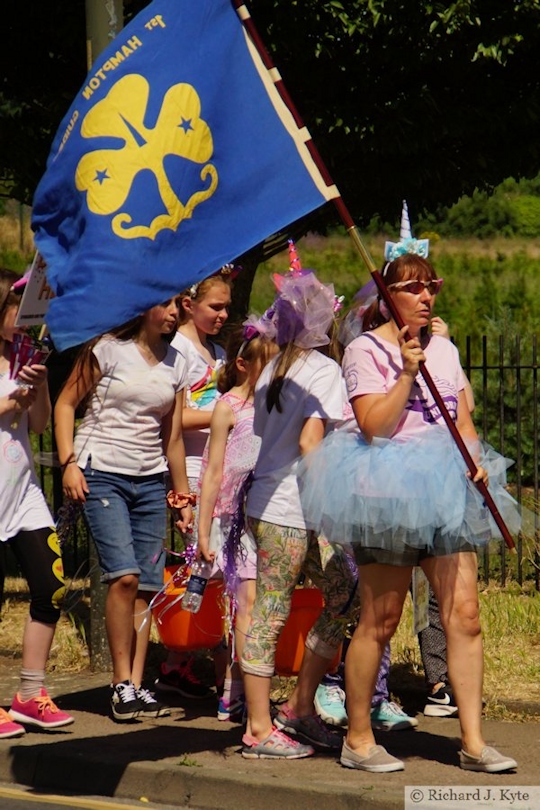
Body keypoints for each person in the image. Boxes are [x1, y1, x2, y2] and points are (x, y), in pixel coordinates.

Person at [299, 249, 521, 773]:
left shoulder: (444, 349)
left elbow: (461, 417)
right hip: (389, 491)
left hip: (446, 488)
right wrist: (404, 372)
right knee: (382, 618)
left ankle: (472, 741)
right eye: (414, 288)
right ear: (387, 296)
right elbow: (374, 425)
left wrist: (474, 454)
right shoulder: (363, 350)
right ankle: (357, 739)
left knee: (464, 615)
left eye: (433, 287)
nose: (426, 297)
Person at [240, 245, 358, 760]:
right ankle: (259, 728)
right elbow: (311, 445)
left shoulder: (273, 370)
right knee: (272, 610)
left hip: (274, 504)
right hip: (292, 508)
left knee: (343, 594)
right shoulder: (324, 372)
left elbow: (263, 437)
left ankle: (300, 707)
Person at [54, 296, 192, 722]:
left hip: (150, 481)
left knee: (148, 586)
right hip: (102, 472)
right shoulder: (107, 349)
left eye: (178, 305)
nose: (173, 312)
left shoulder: (178, 363)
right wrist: (68, 463)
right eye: (165, 304)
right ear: (144, 305)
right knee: (125, 577)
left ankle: (135, 684)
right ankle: (120, 683)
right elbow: (64, 404)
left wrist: (183, 497)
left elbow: (173, 438)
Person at [0, 267, 73, 736]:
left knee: (52, 587)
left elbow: (42, 424)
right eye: (17, 311)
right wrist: (12, 403)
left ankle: (30, 694)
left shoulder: (26, 357)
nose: (25, 322)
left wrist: (39, 387)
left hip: (21, 493)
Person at [155, 269, 232, 699]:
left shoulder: (217, 351)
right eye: (214, 307)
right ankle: (188, 660)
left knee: (214, 567)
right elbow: (176, 418)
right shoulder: (179, 351)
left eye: (226, 307)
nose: (223, 315)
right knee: (204, 564)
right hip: (195, 466)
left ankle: (194, 662)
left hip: (218, 466)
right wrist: (225, 415)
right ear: (189, 304)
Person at [197, 319, 277, 721]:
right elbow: (213, 470)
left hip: (272, 513)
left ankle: (243, 686)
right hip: (236, 518)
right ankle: (243, 690)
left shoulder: (276, 404)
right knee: (244, 600)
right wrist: (202, 524)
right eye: (267, 362)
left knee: (266, 603)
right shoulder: (228, 405)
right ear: (245, 365)